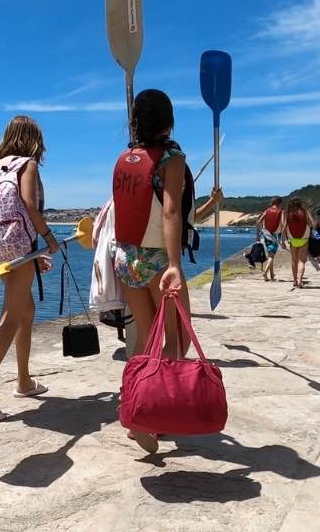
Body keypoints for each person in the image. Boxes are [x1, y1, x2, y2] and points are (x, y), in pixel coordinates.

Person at [111, 88, 218, 455]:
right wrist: (174, 264)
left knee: (142, 338)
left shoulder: (127, 156)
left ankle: (133, 406)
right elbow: (172, 212)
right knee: (175, 341)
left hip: (126, 258)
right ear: (169, 120)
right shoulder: (171, 158)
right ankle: (152, 415)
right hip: (158, 260)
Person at [0, 116, 57, 421]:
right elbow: (29, 206)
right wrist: (47, 239)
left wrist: (34, 254)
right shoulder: (26, 165)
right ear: (34, 140)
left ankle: (24, 381)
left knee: (26, 309)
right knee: (11, 315)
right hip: (17, 246)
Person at [285, 197, 314, 288]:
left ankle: (294, 281)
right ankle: (300, 281)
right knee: (301, 261)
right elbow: (312, 223)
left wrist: (283, 240)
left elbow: (284, 227)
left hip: (293, 240)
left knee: (294, 260)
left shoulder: (288, 213)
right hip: (304, 239)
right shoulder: (305, 211)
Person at [256, 197, 285, 282]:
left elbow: (258, 222)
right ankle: (265, 272)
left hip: (266, 235)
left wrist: (260, 232)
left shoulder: (267, 211)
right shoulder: (281, 211)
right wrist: (283, 240)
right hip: (276, 235)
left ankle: (272, 274)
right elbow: (283, 225)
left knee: (270, 254)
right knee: (271, 256)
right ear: (279, 203)